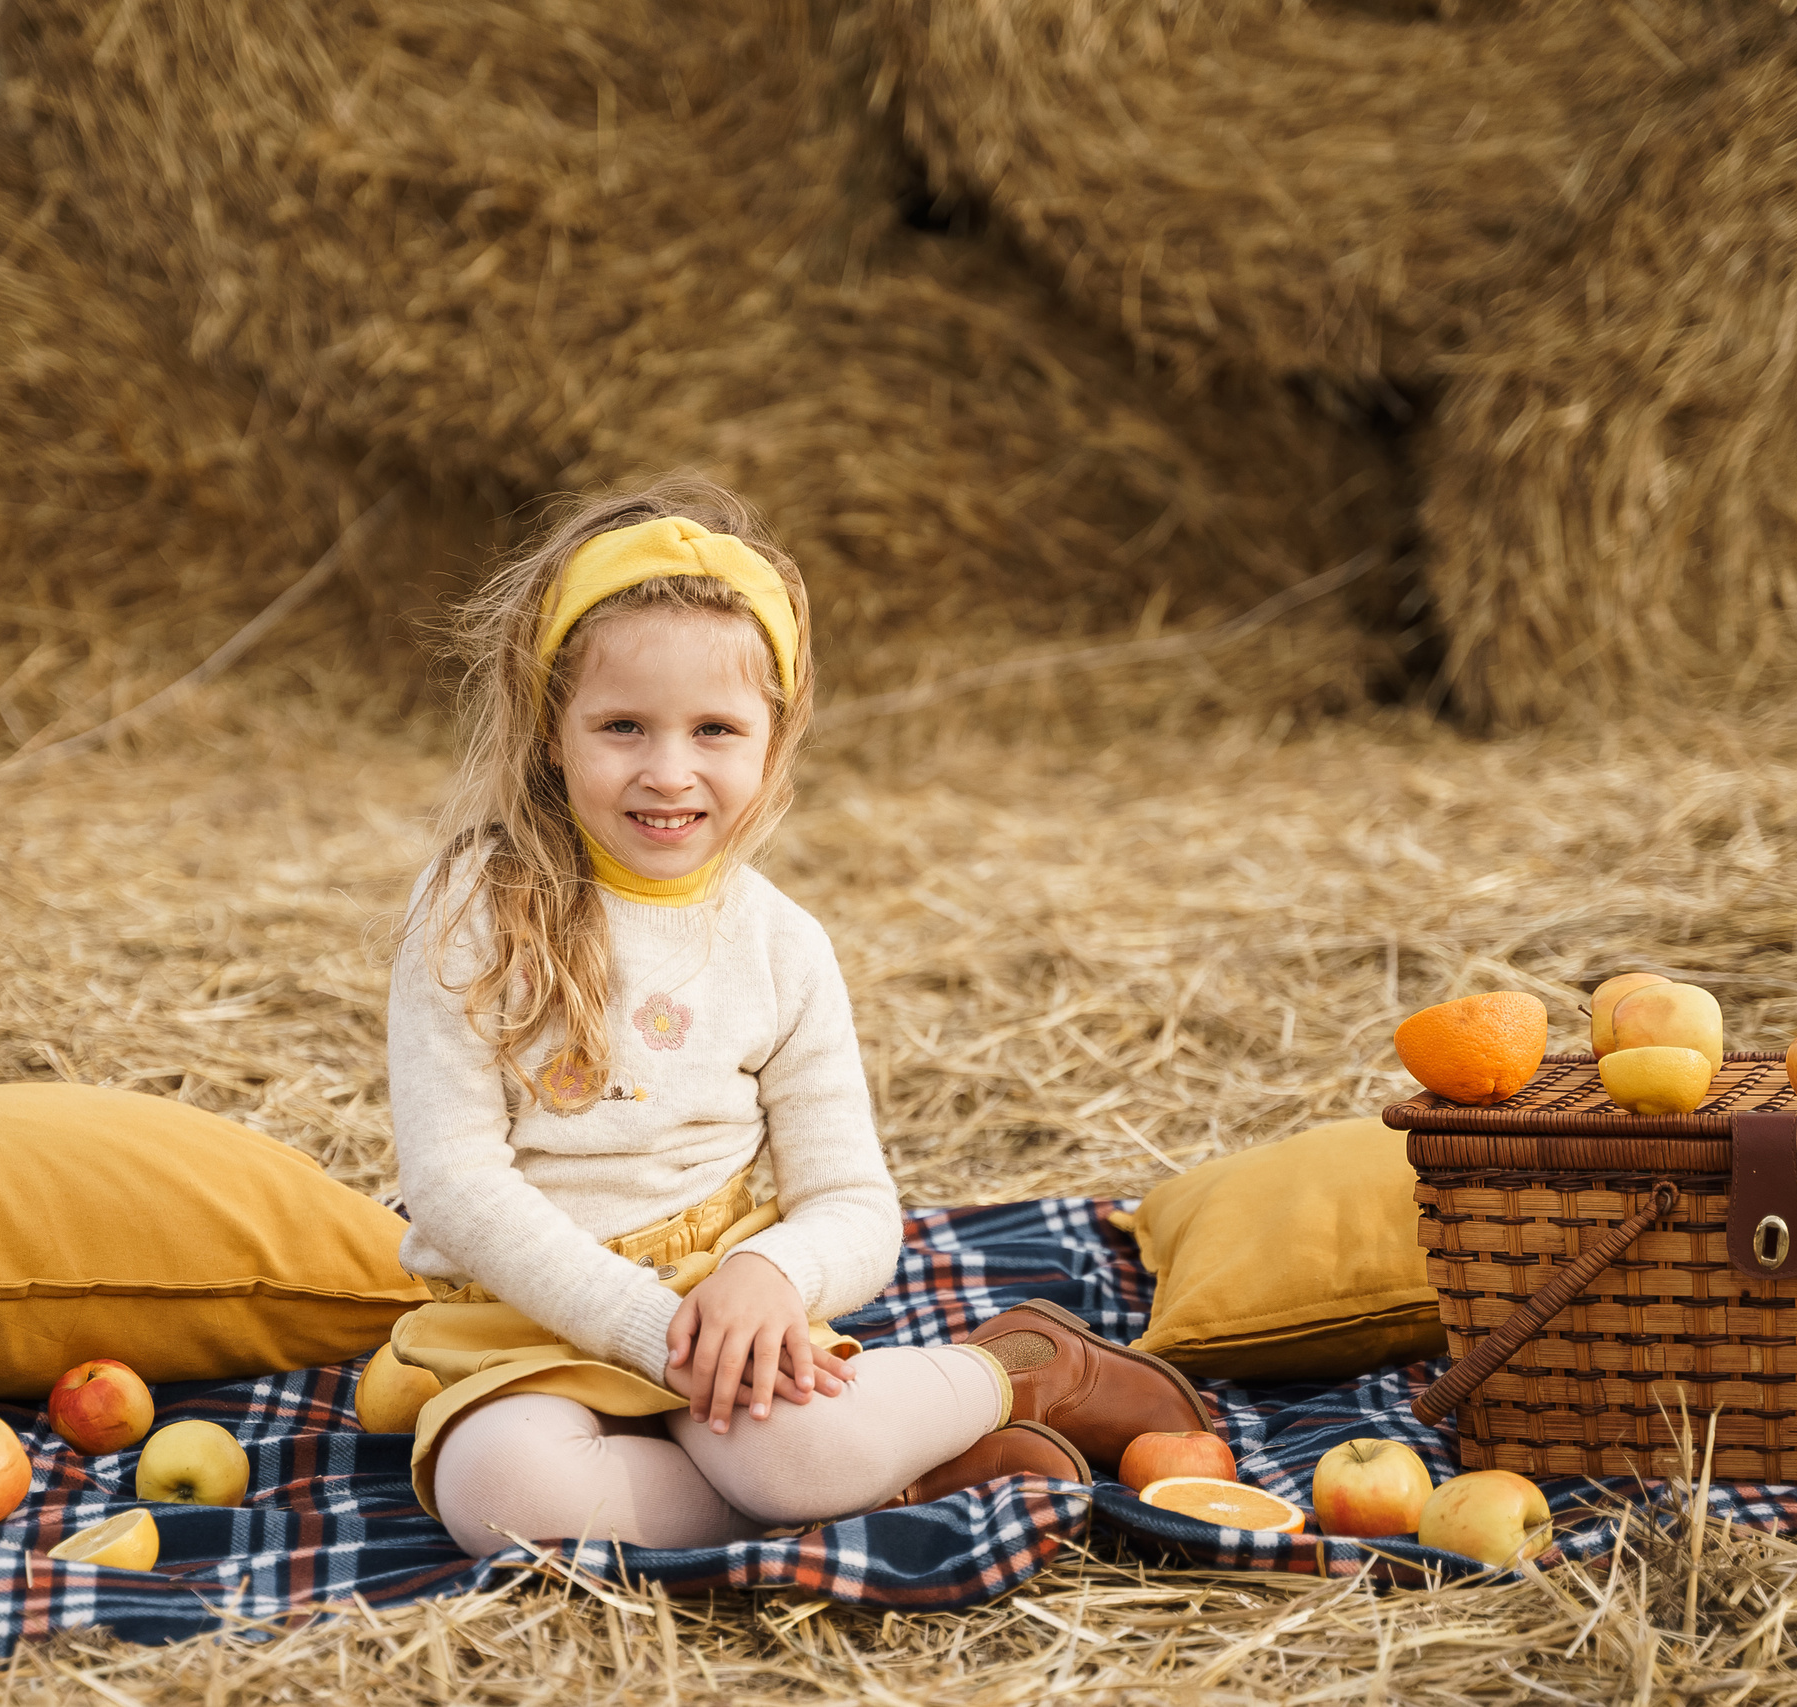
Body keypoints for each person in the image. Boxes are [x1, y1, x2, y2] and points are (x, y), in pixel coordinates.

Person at [359, 474, 1211, 1555]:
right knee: (501, 1494)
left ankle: (1009, 1371)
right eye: (622, 725)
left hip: (725, 1308)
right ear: (551, 731)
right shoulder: (473, 912)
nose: (669, 771)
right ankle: (890, 1478)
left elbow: (853, 1205)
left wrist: (771, 1274)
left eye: (715, 728)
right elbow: (452, 1181)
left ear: (774, 737)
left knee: (797, 1449)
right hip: (521, 1317)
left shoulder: (781, 946)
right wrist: (647, 1330)